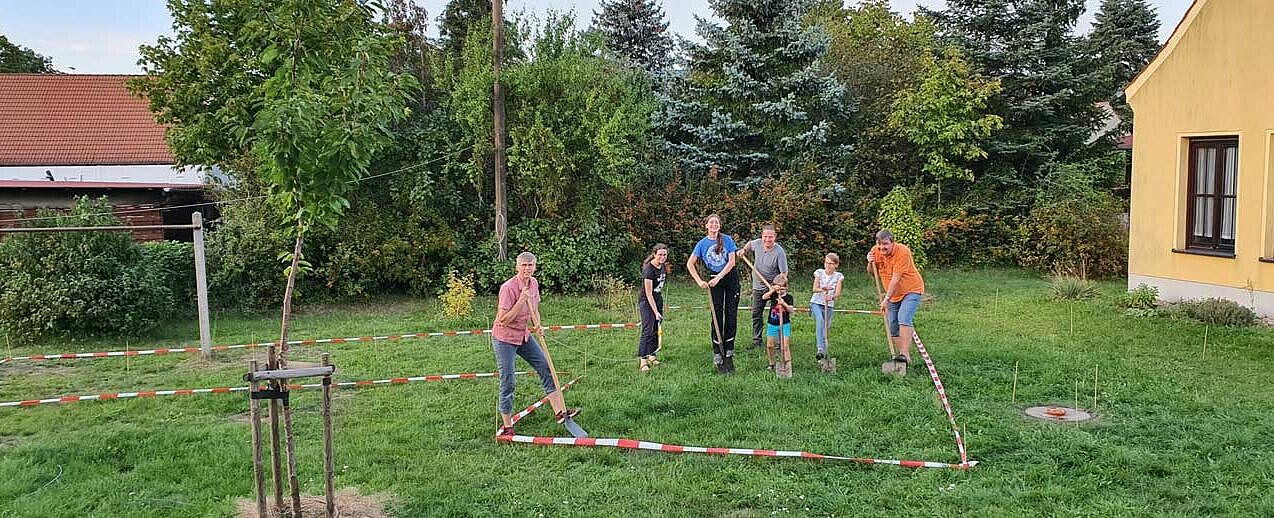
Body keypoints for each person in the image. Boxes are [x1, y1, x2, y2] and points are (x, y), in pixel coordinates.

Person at [492, 251, 580, 437]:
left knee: (545, 366)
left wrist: (537, 324)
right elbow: (503, 320)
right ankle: (507, 427)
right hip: (505, 338)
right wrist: (521, 301)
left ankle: (560, 412)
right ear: (517, 267)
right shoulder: (508, 288)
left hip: (523, 335)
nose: (527, 269)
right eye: (523, 265)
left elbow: (535, 308)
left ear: (535, 266)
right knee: (508, 380)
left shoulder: (533, 284)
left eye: (530, 265)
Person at [687, 214, 740, 374]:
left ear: (720, 225)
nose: (714, 224)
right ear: (706, 225)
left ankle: (729, 350)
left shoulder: (727, 240)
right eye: (711, 222)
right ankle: (718, 352)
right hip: (713, 281)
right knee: (716, 316)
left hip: (729, 278)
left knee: (731, 314)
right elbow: (690, 263)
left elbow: (732, 262)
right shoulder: (702, 244)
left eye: (716, 222)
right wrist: (699, 281)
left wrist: (719, 277)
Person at [866, 230, 925, 366]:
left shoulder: (902, 252)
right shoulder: (875, 251)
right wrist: (870, 262)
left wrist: (886, 299)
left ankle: (903, 354)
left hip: (911, 289)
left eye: (885, 244)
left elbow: (896, 279)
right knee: (893, 325)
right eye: (879, 245)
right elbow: (872, 273)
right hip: (893, 294)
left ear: (893, 242)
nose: (882, 248)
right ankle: (904, 358)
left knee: (904, 318)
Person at [737, 224, 789, 351]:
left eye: (770, 237)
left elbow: (784, 273)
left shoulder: (779, 252)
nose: (767, 239)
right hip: (758, 286)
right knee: (756, 313)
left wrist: (776, 287)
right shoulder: (757, 243)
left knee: (775, 315)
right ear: (762, 236)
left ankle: (776, 342)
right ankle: (757, 340)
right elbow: (749, 245)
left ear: (775, 237)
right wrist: (743, 250)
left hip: (773, 287)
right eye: (765, 236)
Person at [637, 243, 669, 372]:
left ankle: (652, 355)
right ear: (654, 254)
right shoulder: (648, 269)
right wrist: (655, 312)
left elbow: (659, 289)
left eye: (665, 254)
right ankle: (643, 360)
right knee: (647, 329)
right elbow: (648, 293)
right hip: (646, 301)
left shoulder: (662, 267)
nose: (662, 257)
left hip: (657, 299)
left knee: (656, 328)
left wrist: (660, 306)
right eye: (660, 254)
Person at [810, 253, 844, 361]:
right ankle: (820, 348)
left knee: (826, 327)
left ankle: (824, 353)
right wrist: (823, 289)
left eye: (831, 263)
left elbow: (838, 293)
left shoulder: (839, 276)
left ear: (836, 265)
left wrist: (832, 297)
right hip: (816, 302)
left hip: (828, 305)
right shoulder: (819, 273)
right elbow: (814, 288)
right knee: (820, 321)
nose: (828, 265)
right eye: (826, 262)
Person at [762, 272, 796, 378]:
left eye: (782, 289)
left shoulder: (789, 297)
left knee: (785, 346)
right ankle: (771, 363)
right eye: (778, 289)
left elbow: (791, 310)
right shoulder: (773, 294)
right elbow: (764, 297)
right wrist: (772, 290)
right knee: (770, 345)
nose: (780, 291)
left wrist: (784, 304)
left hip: (785, 324)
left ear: (786, 287)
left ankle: (787, 364)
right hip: (772, 323)